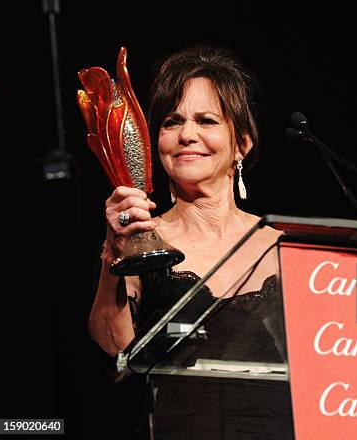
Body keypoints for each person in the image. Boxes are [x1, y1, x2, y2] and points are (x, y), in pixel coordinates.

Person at [87, 44, 293, 439]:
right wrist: (113, 250)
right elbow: (113, 346)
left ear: (242, 144)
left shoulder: (285, 245)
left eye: (206, 120)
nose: (187, 135)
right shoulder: (140, 240)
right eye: (171, 121)